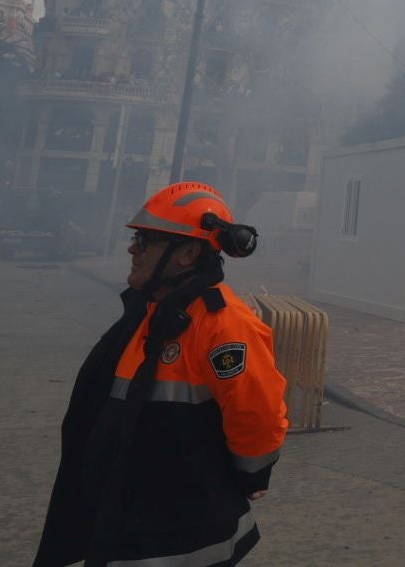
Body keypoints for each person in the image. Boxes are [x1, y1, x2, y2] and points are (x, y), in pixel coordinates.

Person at [34, 183, 288, 567]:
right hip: (126, 518)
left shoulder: (222, 325)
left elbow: (257, 412)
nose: (133, 249)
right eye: (137, 238)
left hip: (181, 537)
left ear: (187, 253)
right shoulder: (150, 313)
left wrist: (251, 476)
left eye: (146, 240)